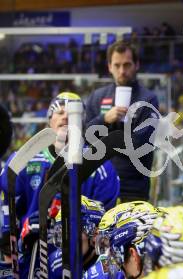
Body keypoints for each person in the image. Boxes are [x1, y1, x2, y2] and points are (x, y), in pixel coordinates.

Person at [0, 92, 120, 277]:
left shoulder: (102, 166)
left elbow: (107, 226)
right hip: (29, 260)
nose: (66, 116)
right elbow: (7, 211)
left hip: (81, 263)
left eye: (73, 114)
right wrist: (13, 243)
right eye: (60, 112)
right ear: (49, 120)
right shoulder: (23, 161)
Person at [85, 40, 159, 202]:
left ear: (136, 65)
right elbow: (84, 137)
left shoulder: (148, 99)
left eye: (127, 65)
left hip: (133, 189)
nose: (122, 71)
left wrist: (103, 141)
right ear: (109, 66)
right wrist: (104, 119)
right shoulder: (98, 97)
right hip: (100, 186)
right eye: (117, 65)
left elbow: (140, 147)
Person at [48, 196, 106, 278]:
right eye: (61, 233)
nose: (65, 241)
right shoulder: (55, 263)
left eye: (72, 233)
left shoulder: (108, 272)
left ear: (95, 236)